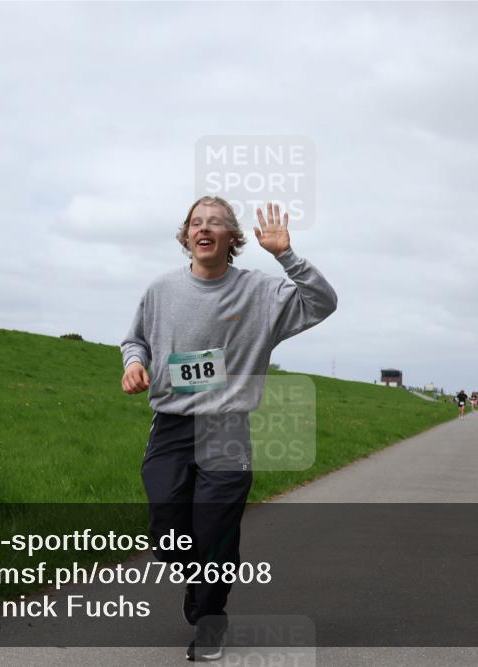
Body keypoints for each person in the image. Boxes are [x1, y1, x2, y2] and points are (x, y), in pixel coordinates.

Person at [121, 197, 337, 661]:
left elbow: (322, 302)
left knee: (215, 532)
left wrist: (285, 255)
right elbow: (135, 339)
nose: (205, 229)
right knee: (167, 533)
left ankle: (210, 619)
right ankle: (201, 588)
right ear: (186, 236)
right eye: (196, 222)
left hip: (227, 430)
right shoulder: (160, 291)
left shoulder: (262, 293)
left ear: (232, 238)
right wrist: (134, 364)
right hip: (171, 427)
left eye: (216, 223)